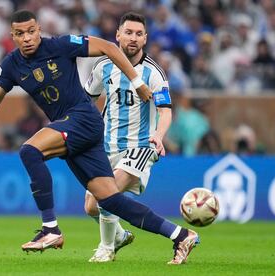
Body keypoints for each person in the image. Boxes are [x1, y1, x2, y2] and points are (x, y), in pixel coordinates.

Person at [0, 10, 198, 265]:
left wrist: (137, 82)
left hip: (83, 119)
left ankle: (51, 229)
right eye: (20, 34)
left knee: (29, 151)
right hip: (82, 129)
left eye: (31, 31)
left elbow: (109, 47)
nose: (27, 38)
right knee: (109, 201)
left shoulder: (60, 45)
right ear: (13, 36)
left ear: (39, 30)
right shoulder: (11, 65)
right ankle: (180, 235)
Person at [83, 12, 174, 262]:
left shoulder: (154, 73)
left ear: (145, 39)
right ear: (118, 36)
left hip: (140, 147)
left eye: (139, 34)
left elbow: (165, 111)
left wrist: (159, 135)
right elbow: (86, 102)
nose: (133, 38)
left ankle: (106, 249)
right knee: (90, 207)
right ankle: (120, 236)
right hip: (106, 146)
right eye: (129, 32)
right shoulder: (103, 67)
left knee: (108, 195)